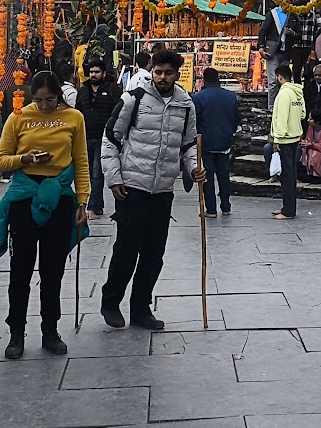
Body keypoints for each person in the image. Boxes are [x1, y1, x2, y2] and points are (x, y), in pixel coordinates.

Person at [100, 49, 202, 329]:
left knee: (154, 253)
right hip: (132, 187)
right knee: (127, 249)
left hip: (163, 190)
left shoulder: (186, 105)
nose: (162, 77)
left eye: (168, 73)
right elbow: (111, 139)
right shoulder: (133, 99)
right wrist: (114, 178)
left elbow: (189, 145)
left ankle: (141, 309)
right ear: (151, 70)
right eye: (158, 72)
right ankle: (110, 302)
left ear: (177, 75)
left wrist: (194, 168)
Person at [0, 72, 90, 358]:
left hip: (59, 197)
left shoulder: (74, 118)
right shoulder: (18, 117)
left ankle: (50, 330)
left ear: (59, 95)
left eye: (50, 100)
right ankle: (16, 333)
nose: (44, 105)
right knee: (20, 270)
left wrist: (83, 201)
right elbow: (0, 160)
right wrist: (25, 159)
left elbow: (81, 161)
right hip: (24, 198)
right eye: (38, 100)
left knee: (53, 271)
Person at [74, 58, 122, 216]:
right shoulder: (83, 90)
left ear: (103, 73)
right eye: (91, 72)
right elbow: (77, 112)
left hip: (104, 138)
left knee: (97, 173)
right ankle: (96, 205)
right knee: (86, 173)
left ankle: (93, 207)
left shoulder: (113, 89)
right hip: (85, 137)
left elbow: (119, 111)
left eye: (97, 72)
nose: (93, 75)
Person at [191, 67, 240, 216]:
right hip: (224, 141)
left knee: (207, 176)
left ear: (204, 79)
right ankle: (226, 206)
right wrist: (229, 132)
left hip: (206, 143)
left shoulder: (198, 98)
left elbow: (195, 122)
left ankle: (211, 209)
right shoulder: (231, 97)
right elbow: (236, 119)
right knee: (224, 176)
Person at [268, 63, 306, 219]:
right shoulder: (298, 93)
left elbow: (282, 118)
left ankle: (288, 211)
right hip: (295, 137)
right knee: (290, 175)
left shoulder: (284, 95)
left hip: (285, 139)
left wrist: (277, 138)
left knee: (287, 176)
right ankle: (287, 207)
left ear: (279, 77)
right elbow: (302, 114)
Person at [256, 7, 291, 95]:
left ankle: (284, 103)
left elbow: (299, 32)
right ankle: (271, 107)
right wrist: (261, 47)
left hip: (286, 52)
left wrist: (293, 33)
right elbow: (263, 31)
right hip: (272, 52)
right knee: (273, 81)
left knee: (285, 81)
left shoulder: (293, 14)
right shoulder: (273, 13)